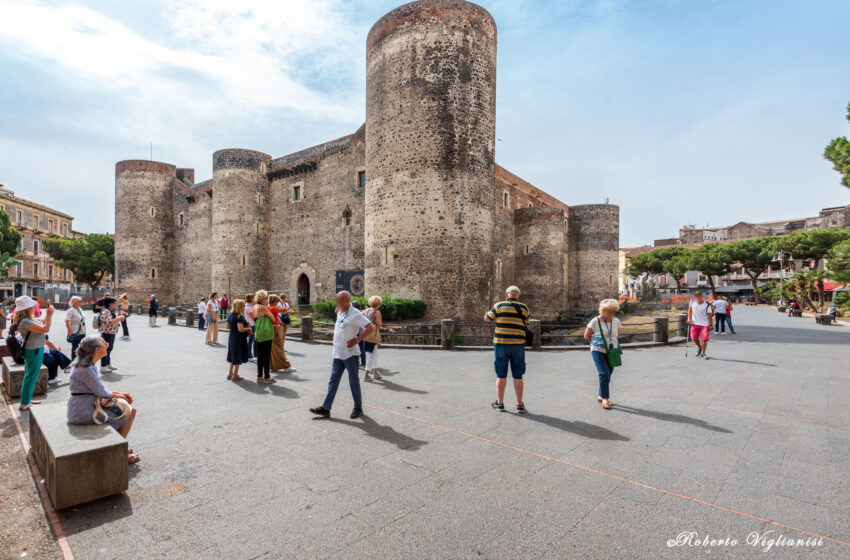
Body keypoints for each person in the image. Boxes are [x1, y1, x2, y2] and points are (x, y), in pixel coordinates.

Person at [67, 335, 139, 464]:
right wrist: (122, 396)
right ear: (97, 350)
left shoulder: (85, 365)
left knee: (125, 409)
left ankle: (118, 446)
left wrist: (121, 394)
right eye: (104, 343)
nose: (106, 344)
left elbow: (98, 390)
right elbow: (101, 392)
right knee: (130, 411)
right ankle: (116, 451)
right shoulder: (87, 369)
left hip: (81, 407)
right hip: (84, 412)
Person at [309, 291, 374, 419]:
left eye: (340, 301)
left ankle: (358, 408)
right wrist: (338, 307)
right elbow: (337, 313)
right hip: (338, 353)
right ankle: (326, 408)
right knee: (333, 380)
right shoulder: (340, 310)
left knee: (353, 381)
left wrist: (357, 339)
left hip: (350, 354)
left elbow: (370, 327)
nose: (337, 303)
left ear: (347, 301)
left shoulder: (355, 313)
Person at [484, 286, 529, 414]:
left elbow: (487, 318)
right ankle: (519, 405)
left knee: (501, 375)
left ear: (506, 294)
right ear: (518, 296)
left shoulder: (499, 306)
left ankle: (500, 403)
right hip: (518, 345)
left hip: (501, 345)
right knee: (518, 376)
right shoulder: (524, 308)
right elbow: (527, 322)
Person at [12, 296, 53, 410]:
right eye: (32, 305)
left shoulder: (27, 319)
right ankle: (24, 403)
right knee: (31, 376)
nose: (34, 306)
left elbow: (44, 322)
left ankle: (26, 400)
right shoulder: (25, 321)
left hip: (34, 349)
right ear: (28, 308)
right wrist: (49, 315)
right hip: (33, 350)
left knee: (30, 375)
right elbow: (45, 329)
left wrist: (48, 316)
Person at [583, 299, 622, 410]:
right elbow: (586, 336)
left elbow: (616, 335)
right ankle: (605, 398)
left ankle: (601, 395)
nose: (613, 313)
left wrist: (611, 343)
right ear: (604, 310)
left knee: (608, 373)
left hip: (612, 350)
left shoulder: (616, 321)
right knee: (604, 373)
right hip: (598, 350)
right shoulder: (595, 321)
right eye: (611, 311)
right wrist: (597, 343)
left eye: (614, 311)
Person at [251, 290, 276, 383]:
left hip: (258, 332)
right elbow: (272, 318)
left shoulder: (254, 307)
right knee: (267, 355)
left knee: (260, 356)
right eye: (266, 298)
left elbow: (254, 318)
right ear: (262, 299)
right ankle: (267, 377)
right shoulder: (263, 308)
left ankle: (259, 376)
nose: (267, 300)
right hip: (266, 334)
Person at [225, 299, 251, 381]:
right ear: (240, 307)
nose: (244, 307)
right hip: (238, 338)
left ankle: (230, 373)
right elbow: (240, 329)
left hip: (232, 336)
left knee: (233, 354)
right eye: (243, 305)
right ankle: (235, 374)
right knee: (237, 355)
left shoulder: (230, 315)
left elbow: (227, 326)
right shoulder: (239, 316)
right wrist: (248, 328)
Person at [98, 297, 125, 372]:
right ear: (110, 303)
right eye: (114, 303)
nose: (115, 304)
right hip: (107, 332)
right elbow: (109, 322)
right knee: (105, 349)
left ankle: (107, 363)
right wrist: (119, 317)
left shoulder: (108, 310)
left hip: (110, 332)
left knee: (109, 349)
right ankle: (103, 366)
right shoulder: (106, 311)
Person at [268, 295, 292, 372]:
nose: (278, 302)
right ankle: (286, 366)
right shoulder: (274, 308)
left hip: (272, 327)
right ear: (274, 301)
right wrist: (282, 302)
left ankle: (273, 365)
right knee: (279, 346)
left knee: (273, 348)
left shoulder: (268, 307)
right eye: (277, 301)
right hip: (276, 328)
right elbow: (284, 310)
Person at [362, 296, 383, 382]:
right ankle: (366, 375)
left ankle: (375, 372)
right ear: (378, 304)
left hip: (365, 335)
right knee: (372, 354)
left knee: (374, 354)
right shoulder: (377, 312)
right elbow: (379, 324)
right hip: (372, 335)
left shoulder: (366, 310)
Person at [688, 291, 714, 359]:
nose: (698, 297)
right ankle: (700, 348)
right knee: (694, 338)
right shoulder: (692, 301)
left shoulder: (707, 304)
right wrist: (689, 319)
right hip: (694, 323)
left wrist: (711, 325)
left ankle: (703, 353)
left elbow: (709, 315)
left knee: (704, 338)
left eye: (699, 296)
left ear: (702, 296)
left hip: (705, 324)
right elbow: (690, 311)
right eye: (696, 296)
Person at [64, 296, 87, 362]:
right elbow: (67, 321)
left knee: (82, 346)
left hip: (82, 330)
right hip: (75, 330)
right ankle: (74, 362)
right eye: (79, 301)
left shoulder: (80, 309)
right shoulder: (71, 310)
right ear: (74, 302)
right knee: (75, 347)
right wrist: (69, 330)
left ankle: (80, 360)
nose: (81, 302)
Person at [351, 300, 367, 369]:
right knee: (362, 348)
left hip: (354, 333)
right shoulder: (362, 312)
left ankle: (356, 363)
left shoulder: (352, 313)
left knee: (354, 349)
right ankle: (363, 362)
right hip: (361, 333)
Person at [244, 293, 255, 360]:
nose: (254, 299)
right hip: (251, 324)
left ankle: (249, 354)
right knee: (250, 340)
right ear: (251, 298)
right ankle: (249, 355)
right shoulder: (248, 307)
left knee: (251, 340)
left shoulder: (249, 306)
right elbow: (253, 317)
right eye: (253, 297)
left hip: (250, 324)